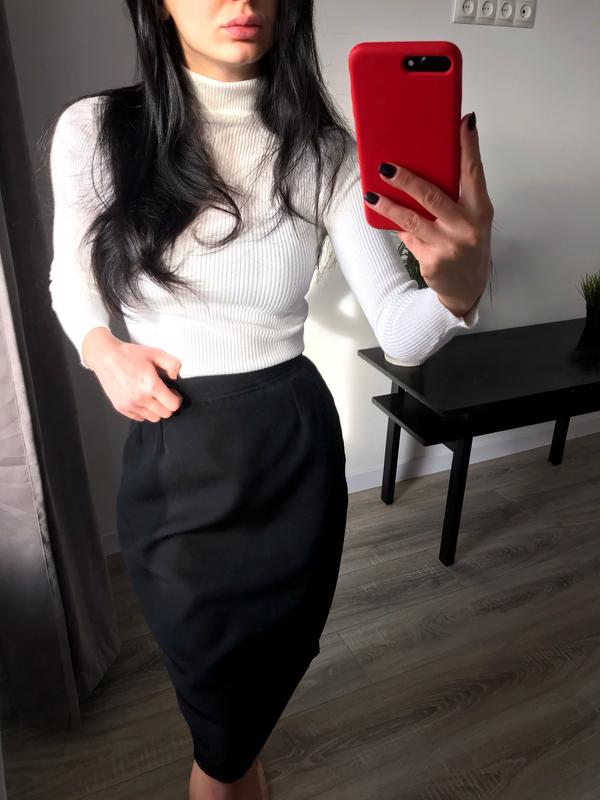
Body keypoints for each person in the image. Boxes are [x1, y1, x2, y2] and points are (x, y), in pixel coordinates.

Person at [46, 1, 493, 798]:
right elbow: (69, 280)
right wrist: (101, 350)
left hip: (291, 450)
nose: (243, 1)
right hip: (176, 456)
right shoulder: (98, 131)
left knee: (246, 713)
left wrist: (459, 288)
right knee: (220, 726)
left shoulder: (328, 153)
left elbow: (401, 333)